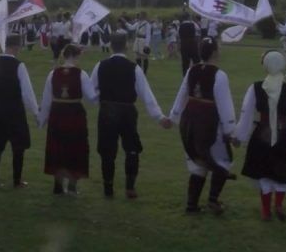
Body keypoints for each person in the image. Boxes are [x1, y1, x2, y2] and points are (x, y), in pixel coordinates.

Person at [92, 32, 172, 199]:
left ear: (111, 45)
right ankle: (130, 188)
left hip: (107, 110)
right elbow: (146, 95)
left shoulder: (100, 65)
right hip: (127, 112)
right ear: (127, 46)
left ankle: (108, 188)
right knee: (132, 149)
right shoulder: (134, 68)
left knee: (107, 150)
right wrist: (159, 117)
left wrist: (101, 100)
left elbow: (91, 91)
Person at [236, 51, 286, 221]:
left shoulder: (256, 87)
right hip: (282, 134)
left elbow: (246, 114)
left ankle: (266, 210)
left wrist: (239, 136)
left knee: (264, 171)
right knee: (280, 169)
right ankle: (278, 206)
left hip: (262, 134)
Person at [170, 37, 236, 215]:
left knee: (198, 160)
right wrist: (230, 130)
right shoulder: (219, 75)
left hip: (190, 120)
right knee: (221, 159)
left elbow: (182, 95)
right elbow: (225, 104)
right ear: (214, 52)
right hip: (208, 123)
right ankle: (213, 200)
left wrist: (174, 116)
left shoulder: (192, 70)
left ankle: (192, 204)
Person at [39, 44, 98, 195]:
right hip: (74, 114)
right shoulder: (81, 74)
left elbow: (46, 99)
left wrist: (42, 119)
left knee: (57, 148)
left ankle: (58, 186)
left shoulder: (53, 73)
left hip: (57, 113)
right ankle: (72, 185)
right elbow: (91, 98)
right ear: (76, 56)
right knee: (75, 147)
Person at [0, 37, 39, 188]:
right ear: (16, 47)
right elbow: (27, 92)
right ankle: (17, 181)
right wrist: (36, 112)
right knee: (18, 147)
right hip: (15, 111)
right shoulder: (18, 65)